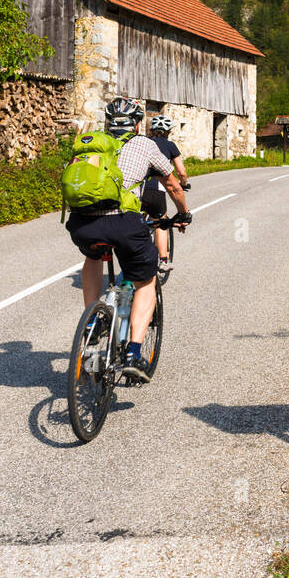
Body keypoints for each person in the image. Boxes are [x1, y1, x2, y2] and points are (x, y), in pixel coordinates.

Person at [65, 97, 191, 381]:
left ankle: (92, 321)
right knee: (146, 280)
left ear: (107, 123)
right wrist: (183, 213)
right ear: (137, 124)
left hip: (83, 224)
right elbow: (172, 185)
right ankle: (134, 353)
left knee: (93, 256)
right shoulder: (145, 144)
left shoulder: (91, 144)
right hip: (124, 222)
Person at [141, 114, 189, 274]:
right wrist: (184, 184)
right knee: (160, 222)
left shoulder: (142, 142)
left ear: (152, 130)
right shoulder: (170, 145)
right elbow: (181, 171)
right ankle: (163, 260)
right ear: (168, 131)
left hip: (136, 188)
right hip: (156, 189)